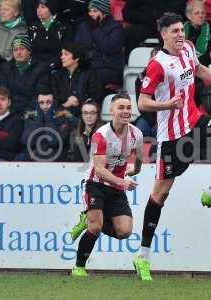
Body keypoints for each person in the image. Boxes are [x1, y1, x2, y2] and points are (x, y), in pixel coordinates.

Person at [132, 12, 211, 281]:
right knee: (159, 195)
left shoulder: (187, 48)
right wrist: (166, 105)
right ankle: (143, 256)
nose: (180, 35)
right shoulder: (157, 65)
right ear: (163, 34)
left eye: (181, 30)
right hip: (173, 138)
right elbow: (142, 103)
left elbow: (198, 69)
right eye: (174, 31)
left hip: (196, 121)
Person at [71, 93, 144, 277]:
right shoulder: (101, 135)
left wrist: (135, 170)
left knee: (124, 232)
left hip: (116, 187)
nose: (126, 111)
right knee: (95, 227)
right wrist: (123, 181)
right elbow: (100, 169)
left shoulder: (137, 134)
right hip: (95, 184)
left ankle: (89, 219)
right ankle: (79, 267)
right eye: (121, 107)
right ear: (111, 111)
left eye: (128, 107)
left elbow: (139, 157)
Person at [74, 0, 125, 93]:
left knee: (92, 76)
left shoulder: (116, 27)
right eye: (90, 11)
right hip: (88, 65)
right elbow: (76, 47)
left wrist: (95, 30)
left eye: (95, 11)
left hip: (110, 68)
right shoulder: (84, 26)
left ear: (104, 13)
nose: (91, 14)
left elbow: (109, 48)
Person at [17, 90, 77, 162]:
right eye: (41, 103)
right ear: (36, 104)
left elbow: (54, 141)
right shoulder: (30, 117)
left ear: (54, 103)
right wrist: (39, 119)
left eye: (49, 103)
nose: (45, 106)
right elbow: (26, 141)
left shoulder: (63, 116)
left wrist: (49, 119)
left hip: (57, 159)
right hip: (33, 158)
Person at [0, 33, 50, 114]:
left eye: (22, 49)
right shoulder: (5, 67)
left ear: (29, 51)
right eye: (15, 49)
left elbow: (40, 95)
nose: (18, 52)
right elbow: (2, 92)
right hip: (10, 110)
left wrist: (25, 112)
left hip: (31, 111)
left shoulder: (41, 68)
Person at [50, 42, 102, 117]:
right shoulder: (57, 75)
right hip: (60, 114)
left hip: (82, 116)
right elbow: (53, 97)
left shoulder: (89, 74)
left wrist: (79, 100)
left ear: (76, 58)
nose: (62, 57)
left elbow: (96, 97)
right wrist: (68, 101)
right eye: (62, 54)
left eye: (66, 54)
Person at [28, 0, 73, 71]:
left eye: (43, 7)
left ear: (51, 8)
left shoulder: (64, 28)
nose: (39, 10)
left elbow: (65, 50)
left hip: (57, 69)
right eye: (38, 7)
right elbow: (30, 51)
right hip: (36, 68)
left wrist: (52, 65)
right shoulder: (32, 28)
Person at [184, 0, 211, 65]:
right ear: (189, 16)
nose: (201, 15)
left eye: (203, 13)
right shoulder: (182, 28)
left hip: (204, 62)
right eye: (197, 13)